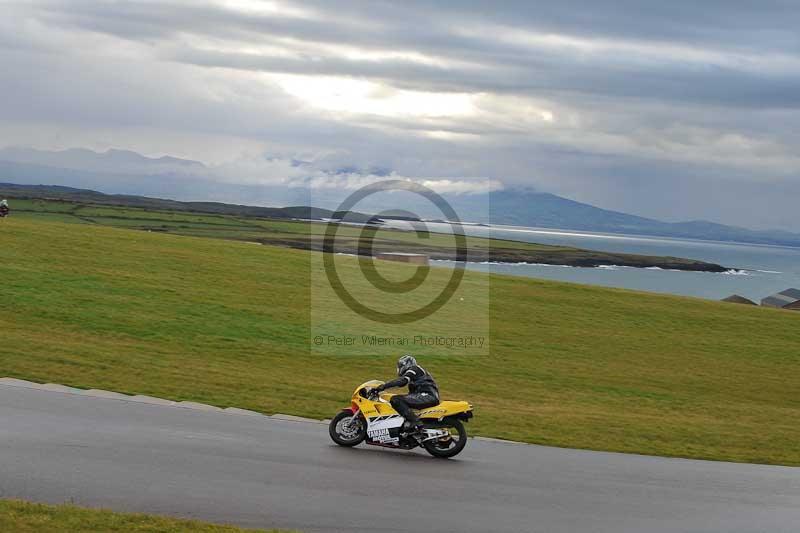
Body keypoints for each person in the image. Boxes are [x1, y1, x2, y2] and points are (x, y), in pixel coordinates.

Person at [372, 354, 440, 432]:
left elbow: (402, 381)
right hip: (424, 396)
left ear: (406, 364)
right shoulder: (415, 374)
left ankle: (415, 422)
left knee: (396, 399)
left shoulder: (415, 369)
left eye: (400, 366)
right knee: (397, 399)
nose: (399, 368)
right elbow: (402, 384)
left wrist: (384, 386)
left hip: (427, 395)